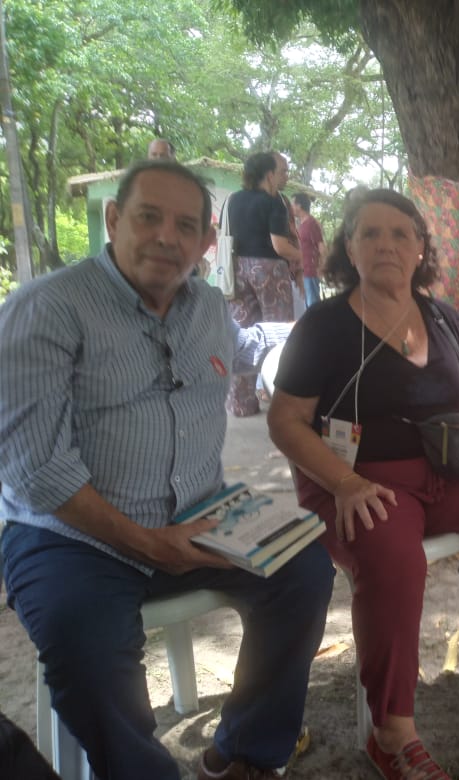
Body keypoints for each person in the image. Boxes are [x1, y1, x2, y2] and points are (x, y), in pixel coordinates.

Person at [0, 159, 335, 779]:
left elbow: (247, 348)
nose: (165, 237)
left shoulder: (206, 305)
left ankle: (244, 754)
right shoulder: (44, 309)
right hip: (70, 536)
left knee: (306, 570)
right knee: (84, 647)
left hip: (201, 513)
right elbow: (37, 470)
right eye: (148, 217)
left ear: (206, 241)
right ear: (113, 220)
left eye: (185, 226)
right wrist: (149, 543)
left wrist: (318, 337)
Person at [266, 188, 459, 779]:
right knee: (391, 552)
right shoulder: (323, 325)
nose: (387, 245)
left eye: (401, 233)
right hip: (358, 481)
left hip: (448, 469)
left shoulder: (443, 317)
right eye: (371, 233)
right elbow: (285, 422)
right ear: (349, 247)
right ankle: (392, 732)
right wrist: (344, 483)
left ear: (421, 248)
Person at [226, 151, 301, 417]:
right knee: (281, 334)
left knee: (243, 336)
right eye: (283, 171)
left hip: (238, 270)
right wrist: (305, 257)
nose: (286, 176)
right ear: (269, 175)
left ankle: (241, 403)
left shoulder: (234, 200)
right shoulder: (275, 203)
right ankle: (283, 402)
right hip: (269, 272)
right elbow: (280, 246)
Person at [292, 192, 326, 309]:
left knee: (313, 306)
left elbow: (321, 246)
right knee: (307, 306)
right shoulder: (301, 225)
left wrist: (322, 267)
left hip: (311, 271)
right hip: (304, 271)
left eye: (293, 204)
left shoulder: (311, 223)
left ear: (299, 206)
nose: (291, 207)